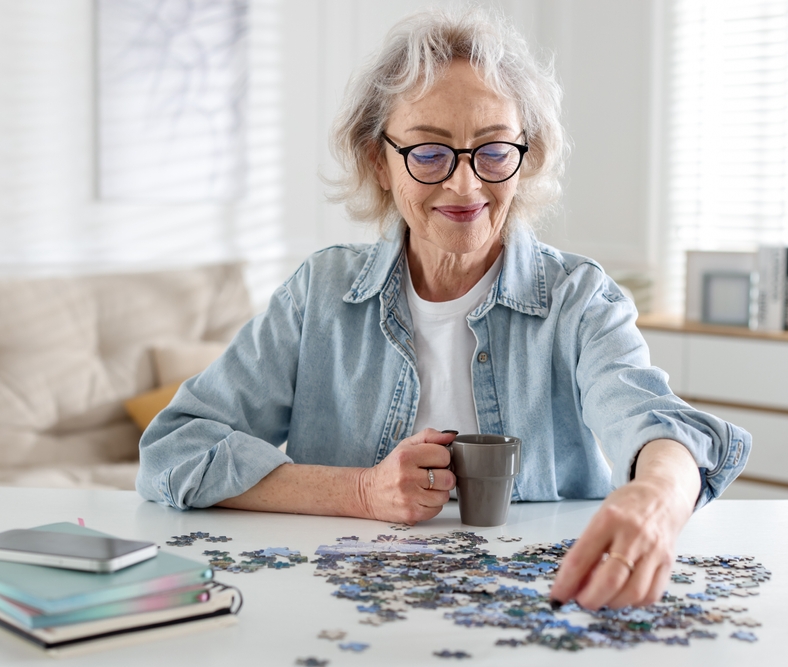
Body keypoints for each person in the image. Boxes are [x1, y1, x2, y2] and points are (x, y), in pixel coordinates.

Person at [136, 7, 751, 611]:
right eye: (429, 154)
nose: (465, 187)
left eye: (492, 151)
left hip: (538, 604)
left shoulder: (580, 299)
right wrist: (362, 491)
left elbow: (657, 423)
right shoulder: (318, 294)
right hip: (342, 603)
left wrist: (656, 499)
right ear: (379, 161)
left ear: (526, 157)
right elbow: (176, 448)